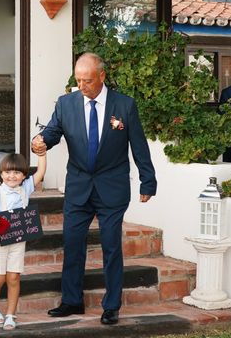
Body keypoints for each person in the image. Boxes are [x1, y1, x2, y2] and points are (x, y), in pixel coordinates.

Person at [31, 52, 156, 325]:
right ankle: (72, 300)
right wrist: (39, 141)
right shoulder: (66, 104)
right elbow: (53, 132)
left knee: (111, 247)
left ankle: (111, 306)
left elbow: (138, 145)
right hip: (78, 187)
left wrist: (148, 181)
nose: (82, 85)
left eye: (87, 80)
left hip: (112, 187)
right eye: (78, 80)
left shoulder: (124, 105)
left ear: (102, 76)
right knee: (73, 244)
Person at [0, 151, 46, 331]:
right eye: (8, 172)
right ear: (1, 174)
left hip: (18, 238)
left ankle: (10, 314)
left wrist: (42, 154)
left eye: (17, 172)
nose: (12, 176)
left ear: (24, 176)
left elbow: (40, 173)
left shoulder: (25, 188)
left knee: (14, 277)